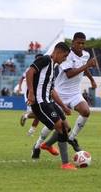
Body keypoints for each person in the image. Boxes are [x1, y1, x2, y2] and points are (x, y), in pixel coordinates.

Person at [36, 32, 97, 153]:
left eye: (83, 43)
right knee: (53, 124)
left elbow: (84, 68)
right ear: (73, 42)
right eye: (78, 43)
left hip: (75, 93)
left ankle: (72, 138)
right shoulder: (66, 54)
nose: (80, 45)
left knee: (86, 111)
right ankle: (38, 145)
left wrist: (91, 79)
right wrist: (87, 66)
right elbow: (69, 74)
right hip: (60, 94)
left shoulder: (86, 55)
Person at [26, 42, 76, 170]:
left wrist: (64, 106)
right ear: (58, 52)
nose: (64, 59)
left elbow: (51, 90)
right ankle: (65, 163)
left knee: (66, 127)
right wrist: (31, 93)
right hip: (40, 102)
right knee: (60, 127)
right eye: (64, 56)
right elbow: (29, 72)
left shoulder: (55, 69)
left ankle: (47, 145)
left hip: (49, 102)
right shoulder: (45, 59)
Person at [17, 54, 43, 136]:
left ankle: (31, 131)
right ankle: (26, 116)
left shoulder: (44, 69)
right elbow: (22, 78)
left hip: (39, 93)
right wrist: (20, 87)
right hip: (30, 93)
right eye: (37, 59)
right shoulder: (30, 69)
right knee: (38, 113)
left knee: (40, 113)